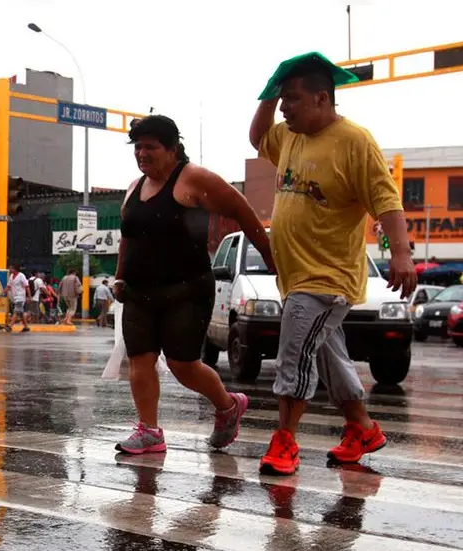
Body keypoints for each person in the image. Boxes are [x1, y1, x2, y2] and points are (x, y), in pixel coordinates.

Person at [249, 54, 416, 475]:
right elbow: (257, 137)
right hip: (297, 275)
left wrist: (401, 253)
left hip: (327, 276)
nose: (285, 107)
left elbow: (386, 200)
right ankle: (362, 427)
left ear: (322, 98)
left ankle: (285, 440)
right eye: (282, 99)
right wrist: (268, 95)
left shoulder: (354, 141)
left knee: (294, 354)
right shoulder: (290, 135)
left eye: (292, 98)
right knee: (326, 353)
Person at [112, 114, 275, 455]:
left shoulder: (193, 179)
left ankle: (227, 405)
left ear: (172, 149)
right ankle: (150, 431)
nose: (142, 154)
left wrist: (271, 257)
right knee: (140, 358)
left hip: (186, 289)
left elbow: (243, 211)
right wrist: (120, 276)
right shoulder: (134, 187)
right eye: (137, 147)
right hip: (139, 291)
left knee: (182, 364)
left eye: (151, 147)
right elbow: (128, 237)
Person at [6, 264, 30, 332]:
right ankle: (26, 327)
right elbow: (8, 286)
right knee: (21, 313)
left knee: (16, 311)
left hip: (20, 297)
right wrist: (2, 293)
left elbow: (27, 286)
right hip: (14, 297)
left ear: (15, 269)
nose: (10, 270)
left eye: (11, 268)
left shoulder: (21, 276)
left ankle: (10, 326)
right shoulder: (11, 276)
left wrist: (29, 296)